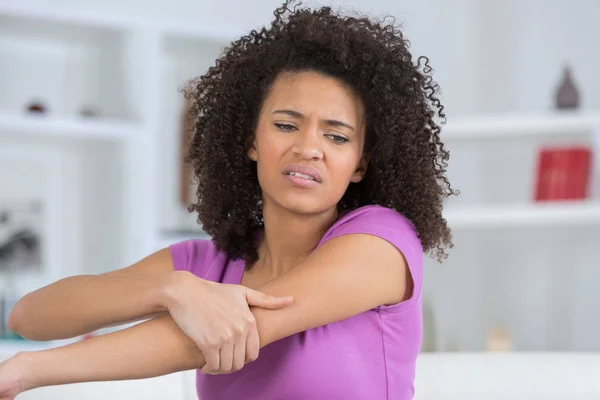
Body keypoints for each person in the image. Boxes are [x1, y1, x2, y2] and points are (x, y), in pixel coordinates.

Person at [0, 1, 455, 399]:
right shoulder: (207, 266)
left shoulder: (383, 242)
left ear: (359, 163)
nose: (308, 148)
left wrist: (28, 370)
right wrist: (172, 288)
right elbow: (30, 316)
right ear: (251, 140)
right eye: (285, 125)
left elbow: (235, 328)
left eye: (336, 136)